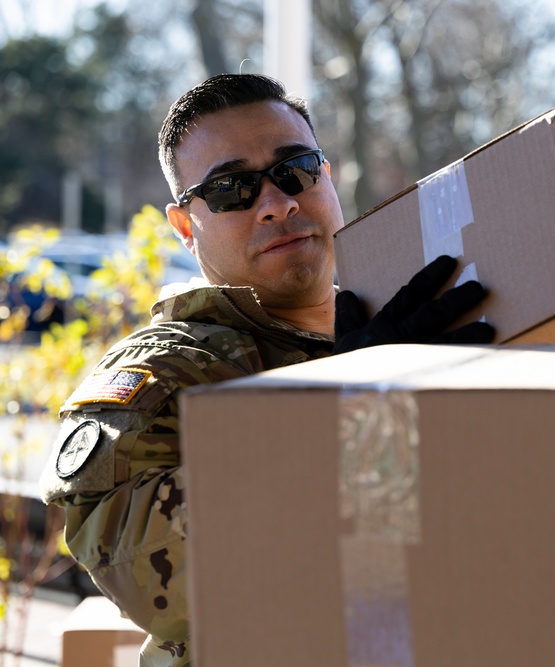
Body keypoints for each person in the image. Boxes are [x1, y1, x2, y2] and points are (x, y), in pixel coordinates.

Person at [39, 73, 494, 667]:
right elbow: (158, 579)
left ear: (326, 180)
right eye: (232, 190)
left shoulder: (426, 317)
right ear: (184, 227)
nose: (278, 203)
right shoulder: (164, 375)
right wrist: (347, 407)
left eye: (295, 169)